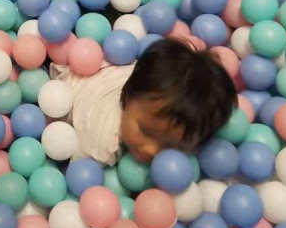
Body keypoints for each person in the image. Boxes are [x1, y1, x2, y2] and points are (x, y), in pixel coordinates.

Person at [51, 37, 237, 164]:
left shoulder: (149, 89)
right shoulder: (102, 144)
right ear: (127, 95)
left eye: (171, 146)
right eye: (145, 131)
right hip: (65, 85)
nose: (152, 150)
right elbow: (74, 163)